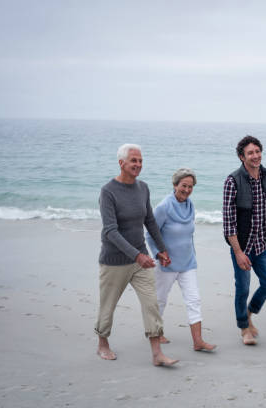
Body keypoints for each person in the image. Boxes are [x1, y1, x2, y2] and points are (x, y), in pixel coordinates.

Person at [94, 143, 178, 366]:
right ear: (121, 163)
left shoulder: (143, 188)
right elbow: (110, 230)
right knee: (108, 305)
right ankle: (102, 343)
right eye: (134, 160)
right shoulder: (108, 191)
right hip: (114, 261)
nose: (138, 164)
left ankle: (157, 353)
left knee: (151, 303)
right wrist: (137, 256)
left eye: (140, 160)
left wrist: (161, 249)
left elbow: (149, 220)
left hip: (140, 258)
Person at [145, 168, 216, 351]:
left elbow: (188, 235)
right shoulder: (163, 207)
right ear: (175, 185)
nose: (187, 190)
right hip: (167, 263)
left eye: (190, 186)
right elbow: (150, 234)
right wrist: (159, 253)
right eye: (183, 185)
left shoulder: (190, 206)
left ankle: (198, 341)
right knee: (160, 300)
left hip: (188, 262)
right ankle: (156, 333)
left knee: (194, 300)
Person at [223, 135, 266, 345]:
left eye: (257, 151)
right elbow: (229, 222)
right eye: (250, 153)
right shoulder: (232, 181)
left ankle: (248, 313)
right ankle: (244, 328)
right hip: (243, 246)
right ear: (241, 157)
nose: (255, 156)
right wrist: (238, 252)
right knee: (243, 288)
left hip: (263, 243)